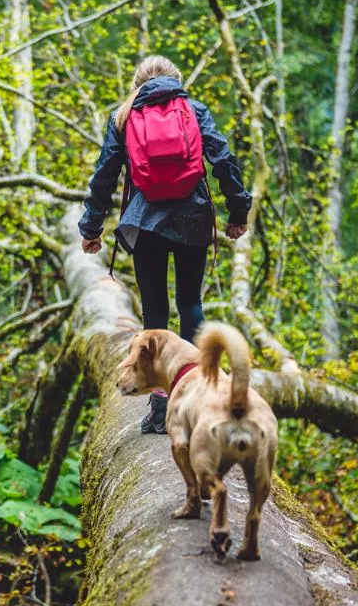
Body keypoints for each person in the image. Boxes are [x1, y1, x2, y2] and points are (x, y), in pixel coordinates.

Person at [79, 55, 252, 434]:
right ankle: (202, 395)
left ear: (137, 83)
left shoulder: (123, 116)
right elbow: (223, 160)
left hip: (145, 223)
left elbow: (104, 175)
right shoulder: (193, 109)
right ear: (176, 79)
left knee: (155, 312)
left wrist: (91, 227)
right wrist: (238, 211)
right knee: (191, 304)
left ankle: (160, 410)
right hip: (193, 218)